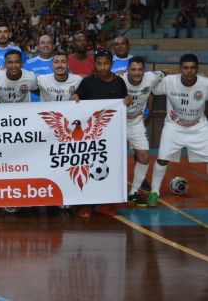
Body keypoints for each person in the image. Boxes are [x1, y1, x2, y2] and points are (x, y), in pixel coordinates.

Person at [72, 50, 131, 218]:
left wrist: (127, 100)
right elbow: (76, 100)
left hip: (111, 135)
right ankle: (84, 204)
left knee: (109, 168)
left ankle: (105, 203)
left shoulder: (119, 82)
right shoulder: (87, 82)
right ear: (94, 64)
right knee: (86, 168)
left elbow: (124, 101)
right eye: (99, 63)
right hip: (89, 135)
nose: (103, 67)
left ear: (112, 64)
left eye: (106, 63)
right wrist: (74, 97)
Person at [148, 54, 208, 207]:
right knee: (162, 158)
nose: (189, 71)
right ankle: (154, 192)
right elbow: (151, 88)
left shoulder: (205, 84)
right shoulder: (169, 82)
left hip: (198, 127)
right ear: (180, 69)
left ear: (197, 69)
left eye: (193, 68)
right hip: (174, 126)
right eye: (186, 68)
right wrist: (165, 72)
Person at [119, 57, 172, 206]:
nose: (136, 73)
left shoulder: (151, 78)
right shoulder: (118, 80)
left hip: (136, 124)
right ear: (127, 69)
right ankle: (110, 190)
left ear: (145, 70)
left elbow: (167, 72)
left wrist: (196, 74)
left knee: (143, 156)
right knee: (112, 157)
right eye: (133, 69)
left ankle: (134, 192)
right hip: (117, 124)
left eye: (140, 69)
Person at [24, 34, 54, 102]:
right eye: (42, 43)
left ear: (53, 46)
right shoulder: (28, 63)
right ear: (37, 46)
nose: (46, 45)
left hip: (53, 104)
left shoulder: (59, 63)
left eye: (49, 42)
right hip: (33, 106)